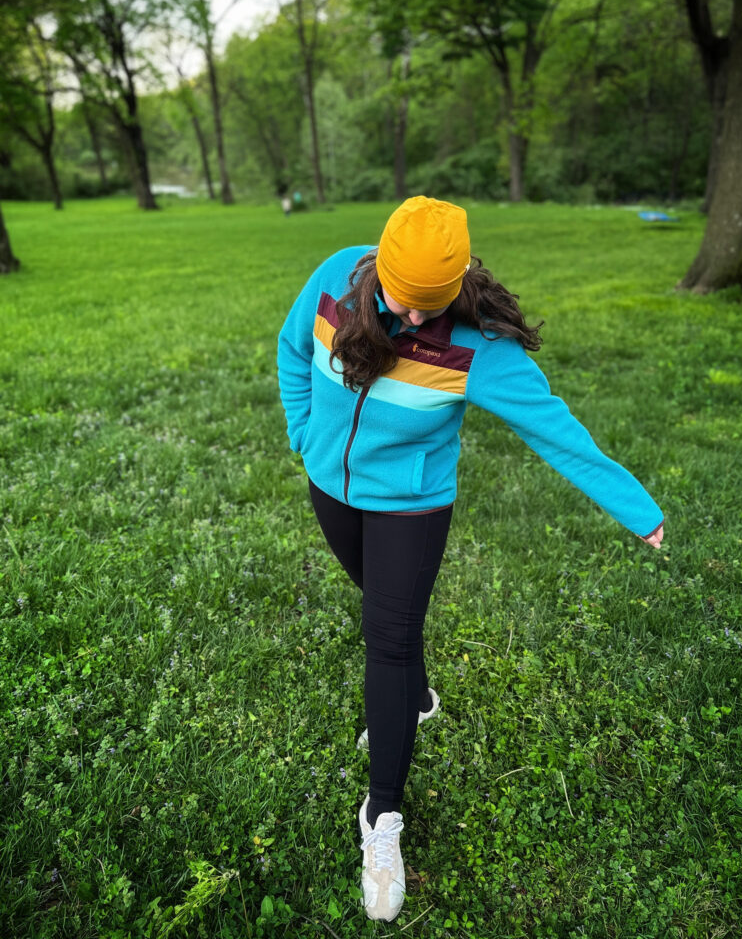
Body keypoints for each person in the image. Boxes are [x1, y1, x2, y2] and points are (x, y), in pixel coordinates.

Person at [276, 195, 664, 923]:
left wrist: (636, 507)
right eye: (402, 302)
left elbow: (555, 428)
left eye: (431, 306)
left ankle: (382, 818)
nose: (415, 320)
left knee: (387, 640)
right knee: (386, 615)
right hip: (331, 486)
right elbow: (293, 349)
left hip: (411, 506)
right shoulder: (333, 277)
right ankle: (417, 701)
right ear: (377, 269)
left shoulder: (478, 346)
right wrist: (303, 434)